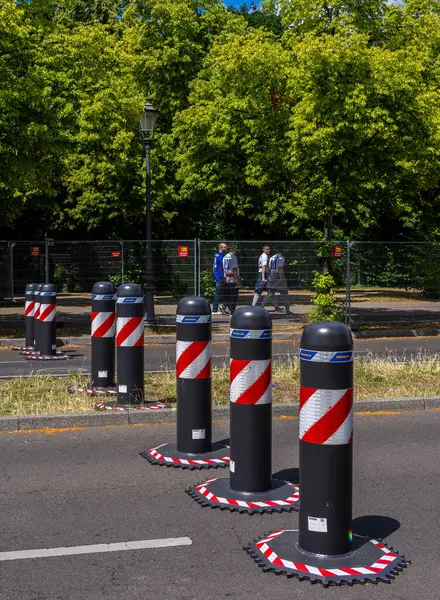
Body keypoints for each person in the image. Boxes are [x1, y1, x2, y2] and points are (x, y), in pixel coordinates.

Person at [262, 248, 290, 314]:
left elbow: (269, 267)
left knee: (270, 292)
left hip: (272, 275)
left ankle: (261, 307)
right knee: (285, 293)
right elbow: (280, 268)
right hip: (278, 275)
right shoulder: (281, 258)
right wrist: (281, 278)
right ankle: (287, 310)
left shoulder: (271, 258)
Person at [221, 246, 240, 315]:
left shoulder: (225, 257)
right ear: (233, 250)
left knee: (227, 294)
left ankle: (224, 305)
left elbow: (223, 267)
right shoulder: (233, 257)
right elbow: (234, 269)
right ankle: (232, 310)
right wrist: (237, 280)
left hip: (226, 277)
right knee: (233, 295)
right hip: (232, 278)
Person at [212, 242, 227, 314]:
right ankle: (215, 310)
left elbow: (213, 265)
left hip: (216, 275)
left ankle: (217, 308)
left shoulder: (216, 255)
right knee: (218, 293)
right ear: (221, 247)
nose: (226, 248)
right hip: (220, 275)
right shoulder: (221, 256)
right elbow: (223, 266)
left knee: (219, 292)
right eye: (225, 247)